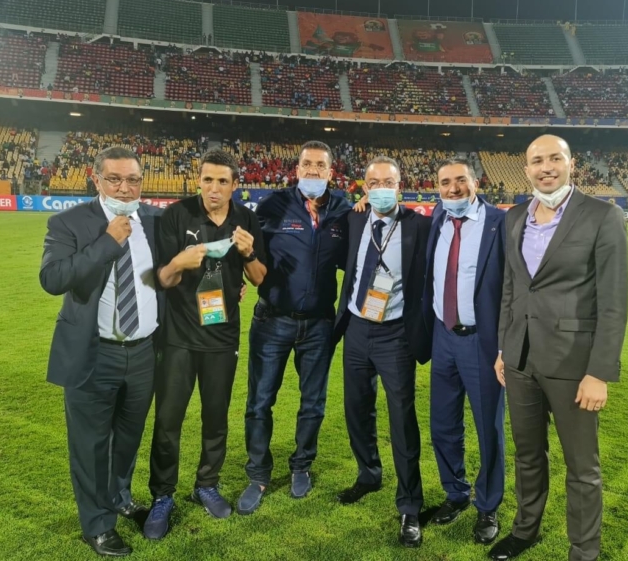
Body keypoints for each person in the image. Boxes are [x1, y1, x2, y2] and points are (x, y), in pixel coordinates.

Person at [489, 135, 628, 561]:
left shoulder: (603, 216)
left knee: (581, 466)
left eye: (554, 158)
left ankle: (584, 550)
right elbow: (512, 289)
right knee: (528, 455)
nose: (546, 167)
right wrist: (504, 348)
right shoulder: (515, 217)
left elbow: (614, 302)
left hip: (574, 363)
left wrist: (599, 371)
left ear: (571, 164)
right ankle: (525, 531)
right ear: (526, 169)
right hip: (520, 360)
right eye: (537, 160)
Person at [39, 147, 164, 557]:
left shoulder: (155, 222)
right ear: (96, 179)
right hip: (94, 353)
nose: (125, 188)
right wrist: (108, 243)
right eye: (114, 179)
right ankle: (97, 524)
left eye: (133, 180)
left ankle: (119, 496)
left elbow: (176, 272)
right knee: (91, 444)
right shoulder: (69, 222)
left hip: (143, 352)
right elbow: (53, 278)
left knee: (128, 437)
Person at [144, 149, 267, 539]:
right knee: (168, 420)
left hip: (222, 337)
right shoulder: (176, 215)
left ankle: (206, 485)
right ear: (198, 180)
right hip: (178, 337)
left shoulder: (246, 219)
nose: (214, 188)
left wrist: (248, 252)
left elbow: (259, 278)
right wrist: (178, 263)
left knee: (216, 418)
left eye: (222, 181)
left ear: (235, 185)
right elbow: (162, 278)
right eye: (208, 180)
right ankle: (163, 495)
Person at [238, 141, 351, 514]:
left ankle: (301, 465)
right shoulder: (273, 205)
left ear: (330, 172)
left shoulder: (344, 210)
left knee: (313, 403)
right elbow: (249, 256)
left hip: (319, 324)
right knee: (259, 402)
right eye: (307, 163)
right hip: (272, 321)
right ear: (297, 169)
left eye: (320, 164)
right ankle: (258, 473)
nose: (313, 170)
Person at [333, 156, 432, 548]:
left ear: (400, 185)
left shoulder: (419, 225)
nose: (380, 189)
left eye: (388, 182)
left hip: (395, 334)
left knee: (401, 418)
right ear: (364, 188)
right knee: (356, 409)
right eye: (373, 183)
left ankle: (409, 505)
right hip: (357, 328)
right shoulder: (354, 219)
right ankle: (368, 474)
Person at [423, 159, 507, 547]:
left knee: (488, 428)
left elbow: (512, 288)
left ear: (475, 182)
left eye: (460, 180)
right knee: (443, 424)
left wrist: (503, 345)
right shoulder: (438, 217)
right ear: (437, 187)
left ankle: (488, 505)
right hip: (443, 337)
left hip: (481, 343)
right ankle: (455, 493)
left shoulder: (498, 223)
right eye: (445, 182)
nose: (453, 188)